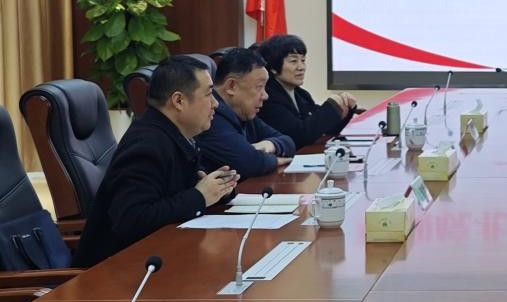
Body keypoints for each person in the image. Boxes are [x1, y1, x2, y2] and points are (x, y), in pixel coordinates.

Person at [73, 56, 239, 267]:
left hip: (158, 257)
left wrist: (217, 190)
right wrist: (199, 196)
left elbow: (173, 195)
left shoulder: (174, 134)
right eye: (208, 94)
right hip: (115, 271)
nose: (216, 104)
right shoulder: (147, 145)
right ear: (178, 101)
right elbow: (132, 219)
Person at [197, 47, 295, 178]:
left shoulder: (244, 113)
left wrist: (269, 144)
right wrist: (275, 160)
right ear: (231, 86)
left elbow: (288, 142)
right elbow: (251, 163)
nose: (265, 96)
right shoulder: (210, 117)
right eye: (259, 87)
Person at [256, 34, 356, 149]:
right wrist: (332, 105)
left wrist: (345, 107)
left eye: (303, 60)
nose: (301, 67)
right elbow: (299, 136)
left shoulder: (302, 94)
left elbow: (325, 128)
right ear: (273, 67)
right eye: (293, 61)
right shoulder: (267, 96)